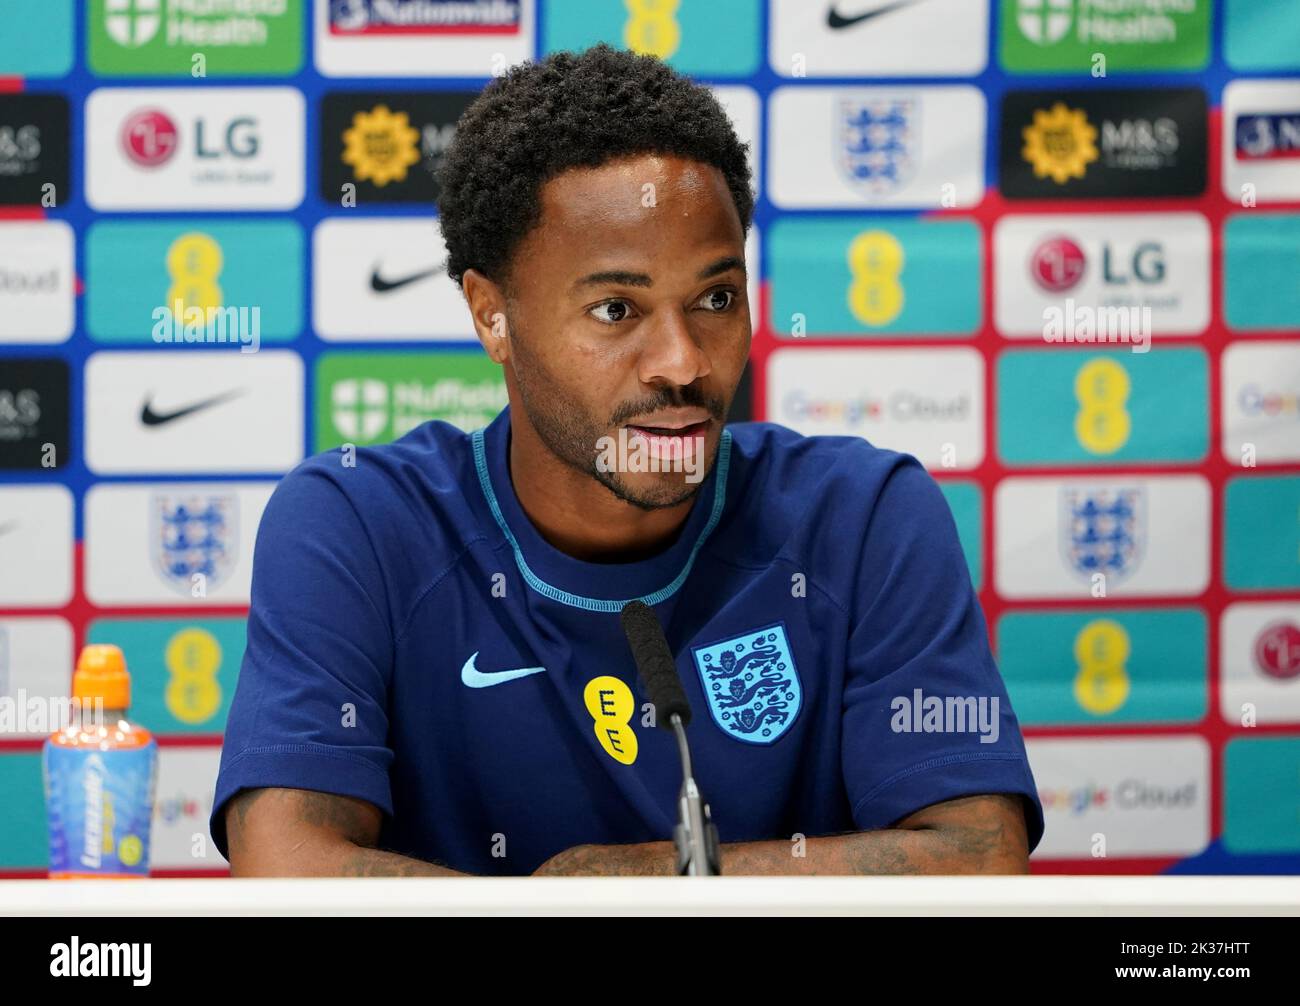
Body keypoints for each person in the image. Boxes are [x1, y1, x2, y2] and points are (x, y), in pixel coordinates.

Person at [211, 44, 1044, 877]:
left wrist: (654, 878)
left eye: (716, 299)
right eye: (617, 309)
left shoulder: (865, 518)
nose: (682, 362)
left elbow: (979, 858)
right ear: (490, 315)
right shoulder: (357, 522)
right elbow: (283, 863)